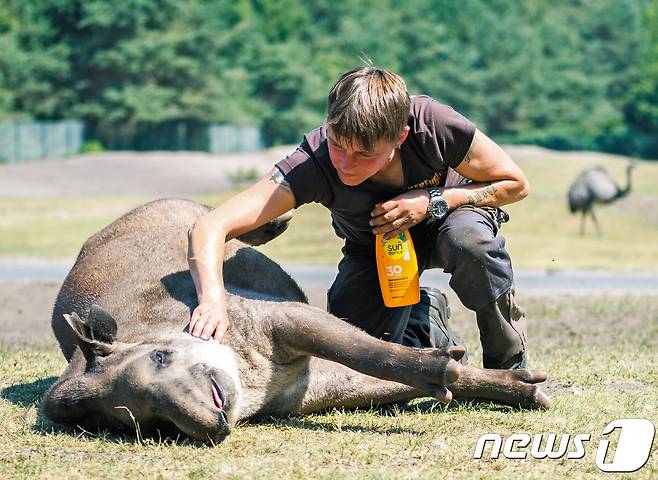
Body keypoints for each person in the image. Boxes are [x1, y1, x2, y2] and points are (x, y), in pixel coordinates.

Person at [187, 66, 530, 369]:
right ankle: (424, 321)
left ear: (400, 137)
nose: (345, 164)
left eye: (364, 153)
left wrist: (435, 199)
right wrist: (212, 299)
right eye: (338, 145)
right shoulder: (314, 163)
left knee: (469, 241)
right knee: (357, 366)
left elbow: (515, 184)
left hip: (452, 220)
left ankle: (507, 364)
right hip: (374, 251)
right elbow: (212, 225)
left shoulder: (433, 125)